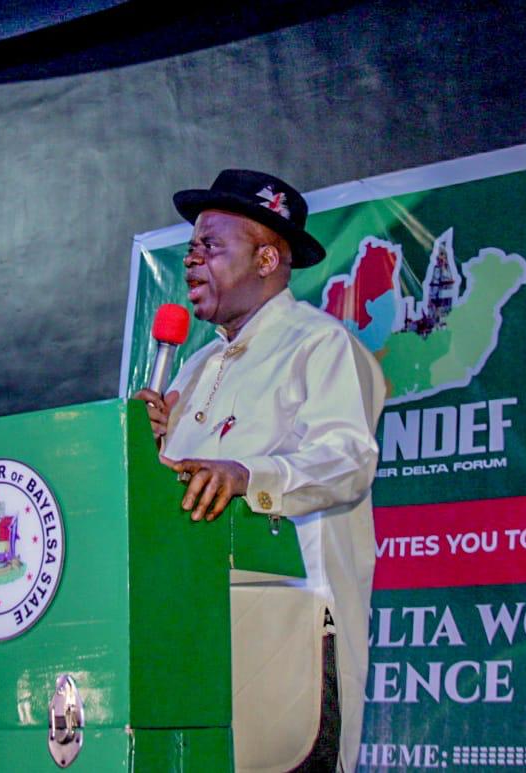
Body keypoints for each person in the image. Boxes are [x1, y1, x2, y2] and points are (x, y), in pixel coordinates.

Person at [135, 169, 385, 772]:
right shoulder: (195, 367)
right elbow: (182, 498)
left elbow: (348, 460)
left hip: (291, 635)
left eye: (210, 245)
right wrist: (146, 453)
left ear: (268, 259)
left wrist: (250, 477)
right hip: (196, 637)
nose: (191, 260)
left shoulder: (321, 345)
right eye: (190, 248)